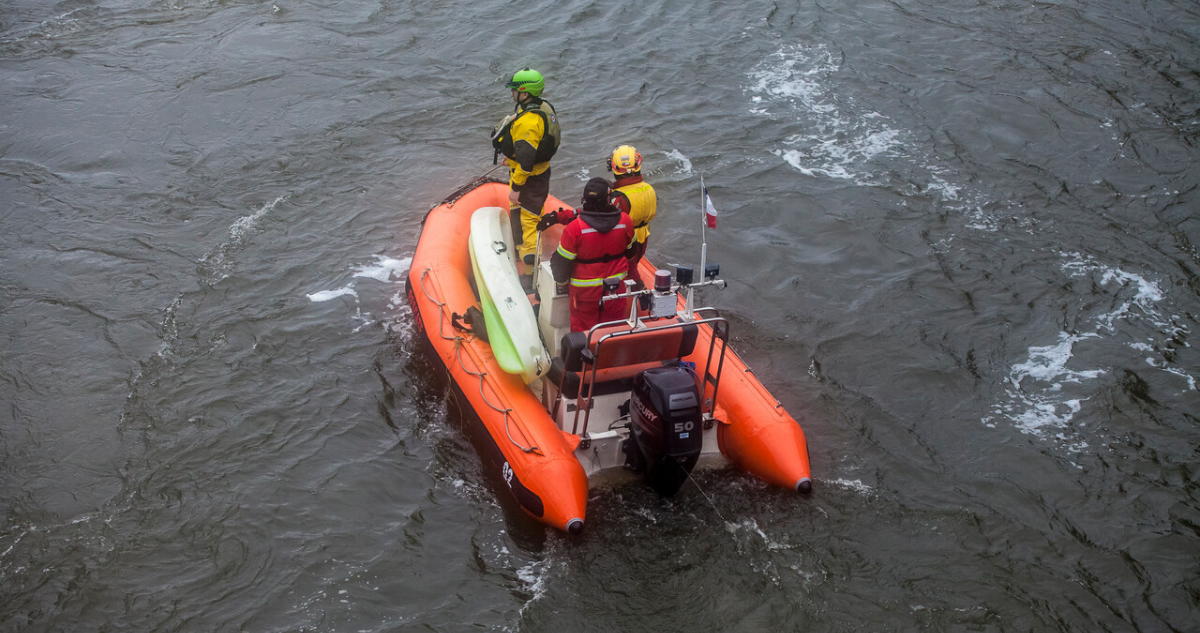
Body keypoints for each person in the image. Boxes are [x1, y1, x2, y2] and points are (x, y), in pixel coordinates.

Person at [491, 67, 561, 280]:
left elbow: (527, 162)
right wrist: (512, 158)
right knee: (526, 217)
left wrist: (516, 188)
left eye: (514, 90)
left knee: (528, 223)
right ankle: (525, 258)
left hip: (529, 179)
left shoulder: (528, 121)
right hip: (539, 174)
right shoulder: (542, 106)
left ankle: (530, 276)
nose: (512, 93)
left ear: (524, 92)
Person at [546, 178, 636, 332]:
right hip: (615, 291)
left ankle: (584, 356)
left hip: (584, 295)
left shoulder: (575, 229)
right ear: (609, 199)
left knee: (583, 333)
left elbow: (560, 266)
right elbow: (631, 253)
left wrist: (562, 284)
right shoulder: (625, 222)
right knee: (612, 331)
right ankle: (610, 354)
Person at [607, 145, 656, 291]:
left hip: (626, 242)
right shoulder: (649, 188)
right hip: (643, 237)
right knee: (633, 265)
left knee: (628, 270)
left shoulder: (618, 198)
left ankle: (637, 290)